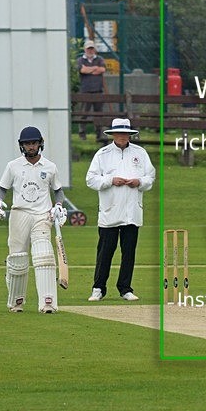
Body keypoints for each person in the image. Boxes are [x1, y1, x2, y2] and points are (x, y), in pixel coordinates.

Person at [0, 127, 68, 313]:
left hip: (42, 215)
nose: (31, 146)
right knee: (17, 259)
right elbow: (2, 188)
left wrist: (58, 205)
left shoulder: (50, 167)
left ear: (40, 143)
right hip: (20, 214)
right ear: (21, 145)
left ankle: (47, 302)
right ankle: (16, 302)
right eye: (27, 143)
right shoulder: (13, 166)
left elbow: (58, 191)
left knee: (44, 256)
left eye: (33, 143)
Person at [86, 118, 155, 302]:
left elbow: (150, 177)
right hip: (110, 211)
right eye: (119, 133)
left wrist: (139, 182)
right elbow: (91, 179)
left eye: (126, 133)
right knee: (105, 253)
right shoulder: (103, 154)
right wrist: (110, 180)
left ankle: (125, 289)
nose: (123, 136)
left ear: (130, 135)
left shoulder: (140, 153)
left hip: (132, 212)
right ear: (113, 134)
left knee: (129, 253)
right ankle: (98, 288)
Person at [76, 39, 107, 140]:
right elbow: (82, 70)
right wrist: (95, 68)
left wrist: (88, 69)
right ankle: (82, 134)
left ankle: (99, 134)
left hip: (98, 90)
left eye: (92, 49)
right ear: (85, 49)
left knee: (98, 114)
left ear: (94, 49)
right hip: (85, 91)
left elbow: (102, 69)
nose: (90, 51)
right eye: (88, 49)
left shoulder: (100, 58)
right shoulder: (80, 60)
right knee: (83, 114)